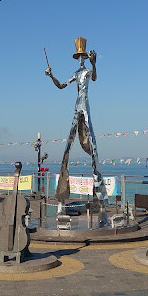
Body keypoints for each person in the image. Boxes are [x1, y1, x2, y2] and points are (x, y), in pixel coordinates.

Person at [45, 37, 107, 204]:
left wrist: (94, 64)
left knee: (92, 142)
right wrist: (51, 76)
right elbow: (61, 86)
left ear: (85, 58)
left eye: (82, 56)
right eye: (78, 57)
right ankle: (62, 194)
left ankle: (99, 195)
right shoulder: (75, 73)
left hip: (85, 106)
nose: (80, 59)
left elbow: (94, 77)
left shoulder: (87, 72)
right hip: (77, 106)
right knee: (68, 143)